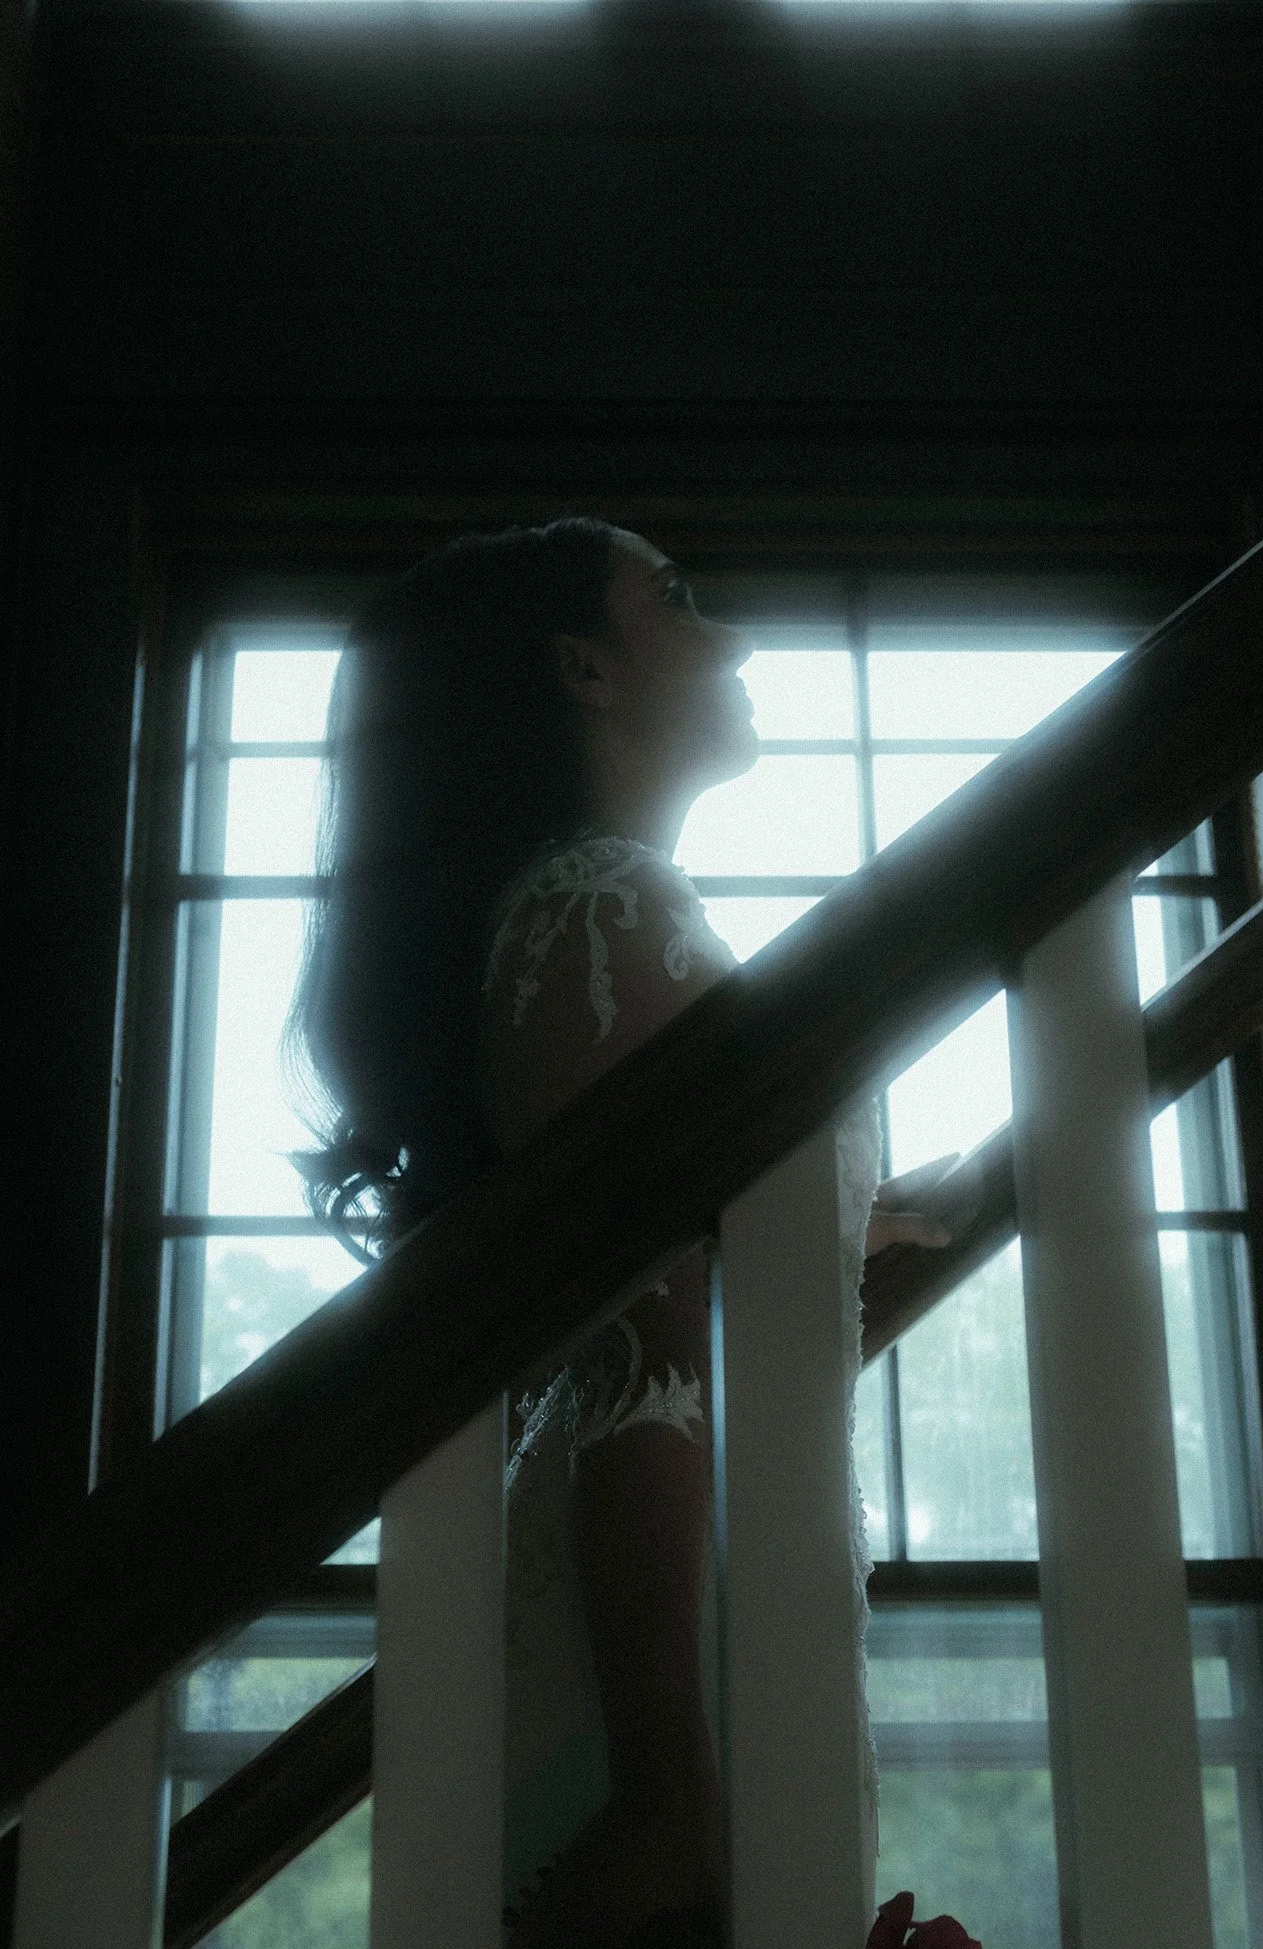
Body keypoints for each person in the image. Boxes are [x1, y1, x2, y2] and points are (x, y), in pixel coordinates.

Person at [286, 518, 952, 1949]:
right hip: (649, 1673)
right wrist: (666, 1788)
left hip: (671, 1601)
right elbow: (643, 1359)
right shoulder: (599, 914)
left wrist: (842, 1225)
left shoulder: (585, 920)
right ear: (583, 667)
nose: (741, 639)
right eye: (680, 599)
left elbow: (683, 1274)